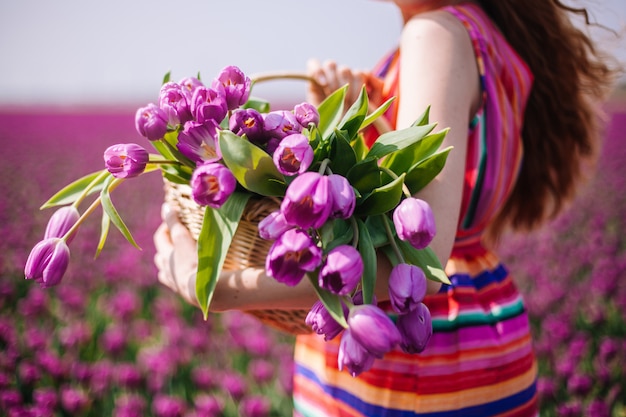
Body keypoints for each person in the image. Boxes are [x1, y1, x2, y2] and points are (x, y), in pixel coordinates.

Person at [153, 0, 618, 415]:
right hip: (485, 326)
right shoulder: (485, 38)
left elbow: (417, 253)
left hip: (417, 366)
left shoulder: (434, 35)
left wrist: (215, 287)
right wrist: (345, 121)